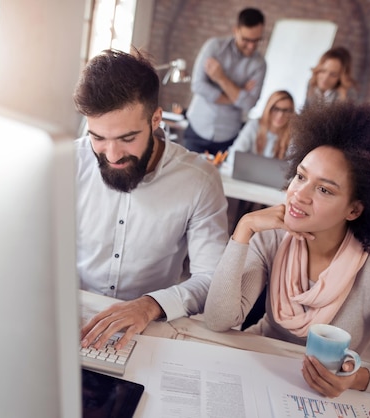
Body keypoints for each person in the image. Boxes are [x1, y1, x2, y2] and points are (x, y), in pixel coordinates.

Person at [204, 102, 370, 404]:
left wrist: (359, 379)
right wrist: (243, 229)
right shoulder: (271, 238)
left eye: (325, 190)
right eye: (301, 176)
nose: (299, 195)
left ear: (354, 209)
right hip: (252, 371)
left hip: (316, 400)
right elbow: (218, 319)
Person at [73, 49, 229, 351]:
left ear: (156, 119)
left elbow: (211, 279)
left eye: (127, 138)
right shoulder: (70, 162)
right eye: (98, 138)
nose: (112, 154)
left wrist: (149, 305)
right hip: (75, 320)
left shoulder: (199, 180)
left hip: (149, 328)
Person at [183, 7, 267, 155]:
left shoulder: (259, 64)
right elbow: (198, 85)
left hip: (228, 135)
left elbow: (249, 104)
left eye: (256, 41)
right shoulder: (214, 47)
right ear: (236, 30)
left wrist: (221, 78)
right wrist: (237, 95)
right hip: (197, 127)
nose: (251, 46)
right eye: (246, 40)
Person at [225, 90, 295, 165]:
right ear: (268, 108)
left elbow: (292, 165)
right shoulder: (254, 125)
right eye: (276, 109)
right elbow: (234, 155)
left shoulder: (293, 134)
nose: (280, 115)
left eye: (286, 111)